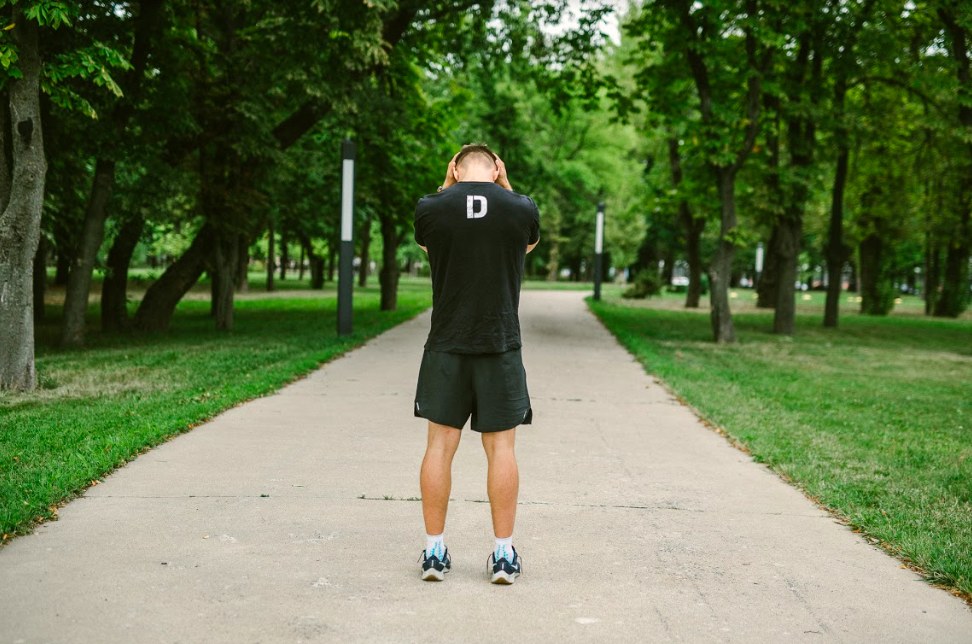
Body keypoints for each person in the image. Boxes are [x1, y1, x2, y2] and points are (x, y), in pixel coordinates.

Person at [413, 144, 540, 584]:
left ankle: (434, 552)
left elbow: (432, 247)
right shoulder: (520, 208)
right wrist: (506, 188)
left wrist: (446, 187)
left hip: (447, 345)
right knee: (501, 450)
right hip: (499, 343)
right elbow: (527, 243)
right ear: (498, 168)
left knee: (438, 448)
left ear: (454, 168)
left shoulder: (431, 208)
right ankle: (503, 555)